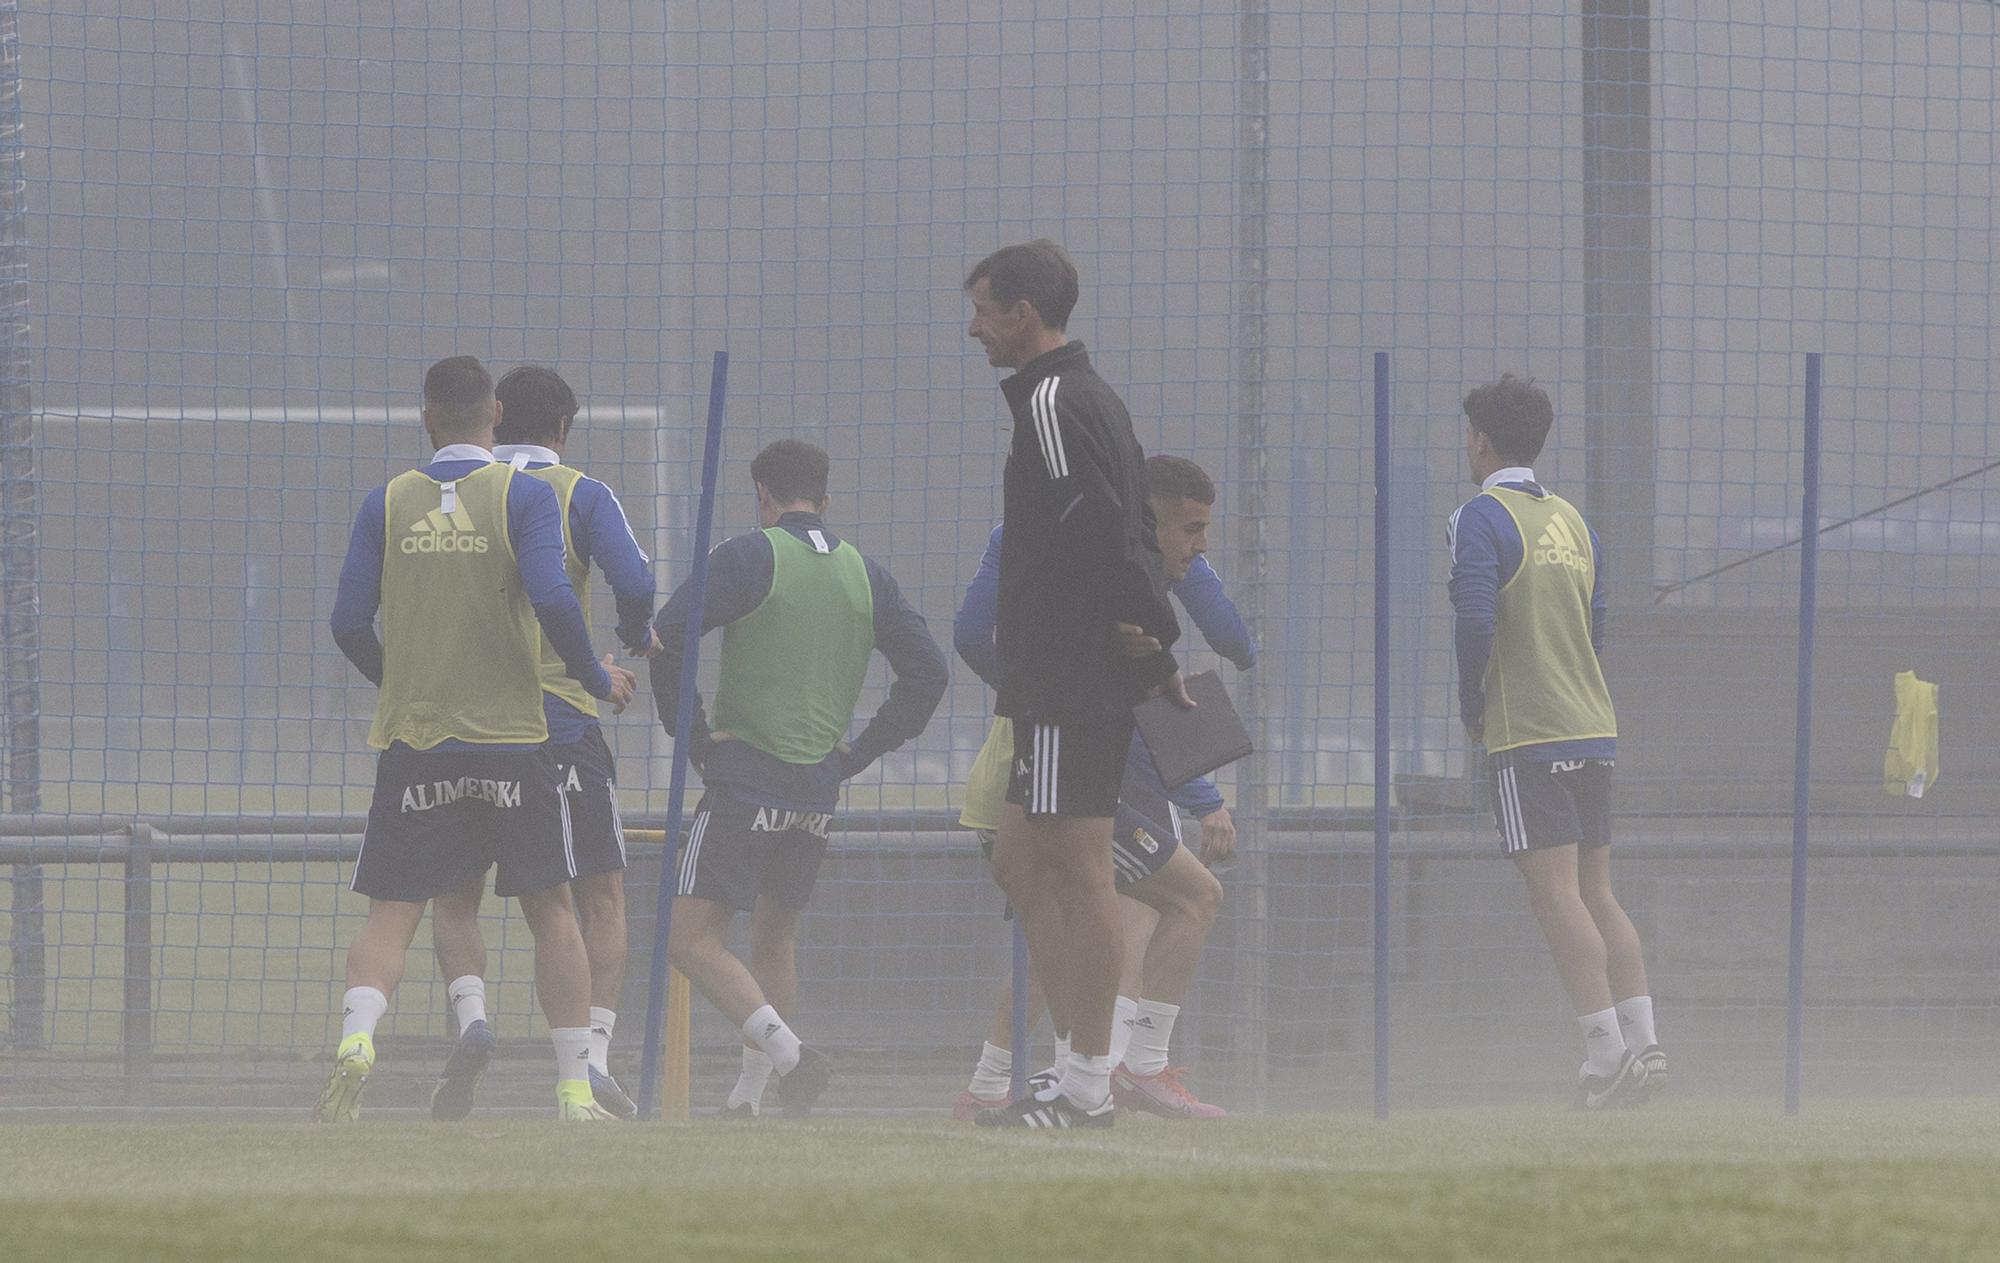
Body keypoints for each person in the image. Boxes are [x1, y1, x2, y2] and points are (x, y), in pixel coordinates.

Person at [323, 355, 638, 1122]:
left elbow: (345, 624)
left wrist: (399, 682)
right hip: (513, 737)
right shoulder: (524, 496)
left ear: (427, 415)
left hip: (419, 738)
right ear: (493, 414)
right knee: (553, 909)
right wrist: (594, 677)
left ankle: (358, 1043)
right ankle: (572, 1087)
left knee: (395, 912)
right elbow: (556, 596)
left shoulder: (388, 500)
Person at [963, 239, 1190, 1129]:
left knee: (1083, 873)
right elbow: (1130, 518)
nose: (973, 325)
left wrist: (1146, 635)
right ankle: (1068, 1071)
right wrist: (1150, 634)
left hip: (1066, 673)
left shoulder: (1054, 400)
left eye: (983, 307)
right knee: (1020, 860)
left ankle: (1088, 1081)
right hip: (1056, 673)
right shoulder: (1086, 396)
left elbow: (1099, 525)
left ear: (1024, 312)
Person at [952, 455, 1253, 1120]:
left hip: (1013, 768)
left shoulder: (1034, 535)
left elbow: (972, 634)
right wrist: (1202, 794)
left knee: (1065, 920)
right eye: (1193, 530)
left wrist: (1028, 690)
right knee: (1165, 904)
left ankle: (1002, 1081)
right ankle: (1109, 1072)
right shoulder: (1126, 576)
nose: (1200, 545)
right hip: (1084, 773)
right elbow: (1224, 644)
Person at [653, 439, 947, 1118]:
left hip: (746, 776)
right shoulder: (864, 573)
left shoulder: (751, 555)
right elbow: (929, 673)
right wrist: (859, 752)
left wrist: (694, 737)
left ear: (761, 492)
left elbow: (668, 634)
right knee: (774, 937)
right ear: (826, 497)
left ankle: (790, 1058)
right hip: (817, 788)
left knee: (688, 938)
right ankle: (752, 1099)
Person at [426, 366, 661, 1121]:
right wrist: (629, 637)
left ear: (496, 417)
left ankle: (471, 1021)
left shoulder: (456, 491)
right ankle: (587, 1058)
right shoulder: (579, 493)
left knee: (458, 893)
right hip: (559, 722)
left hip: (461, 724)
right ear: (565, 428)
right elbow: (634, 577)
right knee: (594, 895)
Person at [1447, 373, 1665, 1109]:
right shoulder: (1575, 521)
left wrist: (1470, 700)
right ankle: (1646, 1044)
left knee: (1555, 895)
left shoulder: (1479, 516)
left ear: (1479, 441)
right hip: (1593, 724)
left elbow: (1475, 618)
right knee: (1598, 891)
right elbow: (1595, 622)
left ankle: (1605, 1058)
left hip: (1528, 730)